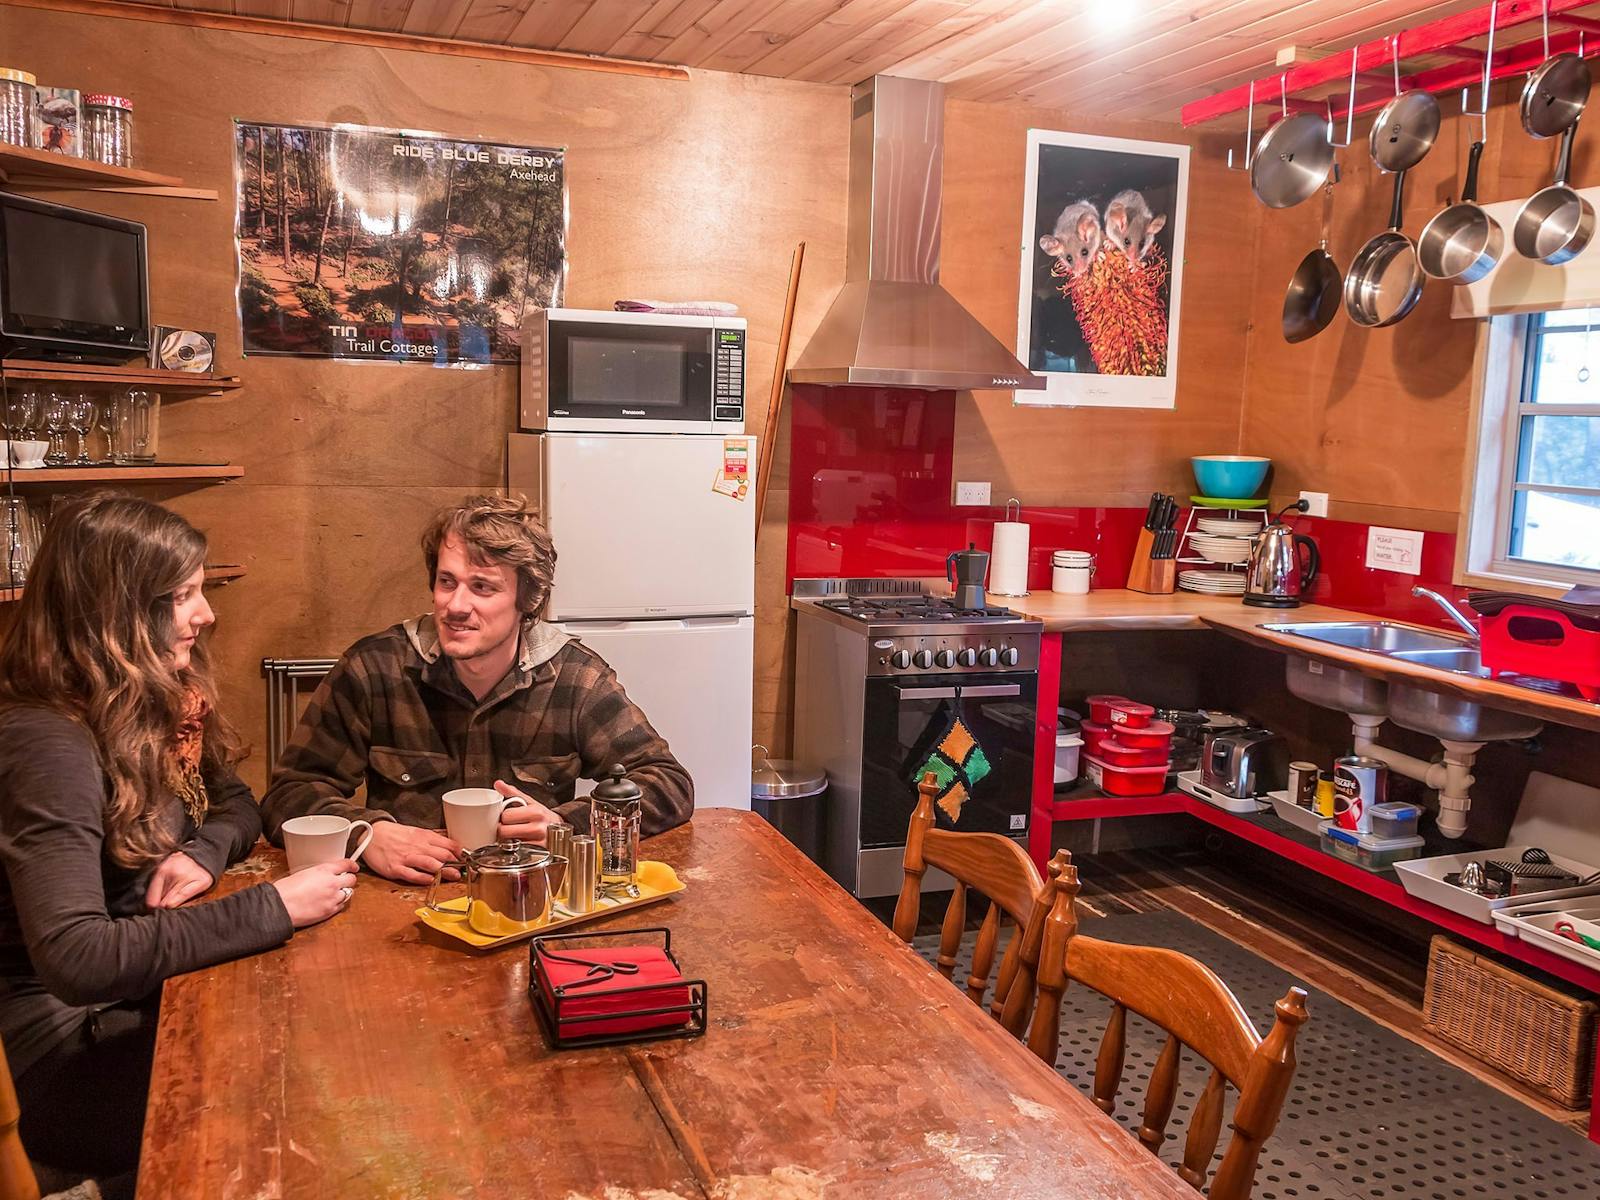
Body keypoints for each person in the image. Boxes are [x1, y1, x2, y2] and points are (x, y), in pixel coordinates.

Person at [0, 495, 356, 1190]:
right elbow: (77, 957)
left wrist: (202, 850)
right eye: (184, 594)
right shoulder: (47, 741)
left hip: (128, 1001)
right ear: (117, 610)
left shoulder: (139, 696)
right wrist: (271, 908)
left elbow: (233, 802)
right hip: (56, 1045)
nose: (207, 613)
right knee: (296, 1095)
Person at [260, 494, 693, 884]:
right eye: (447, 582)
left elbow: (669, 784)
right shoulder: (376, 668)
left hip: (529, 899)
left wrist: (566, 825)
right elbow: (289, 793)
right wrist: (367, 833)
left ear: (528, 601)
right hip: (403, 907)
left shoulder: (574, 678)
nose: (455, 606)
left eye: (482, 587)